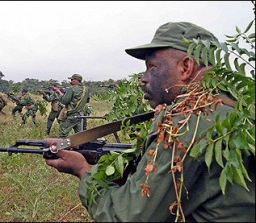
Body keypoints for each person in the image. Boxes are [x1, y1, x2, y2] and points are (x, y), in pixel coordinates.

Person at [45, 22, 255, 222]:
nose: (143, 78)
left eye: (152, 67)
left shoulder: (188, 121)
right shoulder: (235, 107)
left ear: (186, 67)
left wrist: (83, 170)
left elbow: (128, 216)